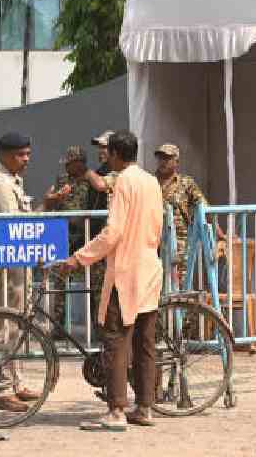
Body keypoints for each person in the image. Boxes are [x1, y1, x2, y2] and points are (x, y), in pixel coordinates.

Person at [60, 130, 164, 430]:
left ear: (117, 154)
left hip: (127, 272)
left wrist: (79, 257)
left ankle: (117, 410)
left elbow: (113, 232)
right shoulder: (150, 181)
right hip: (149, 267)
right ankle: (144, 407)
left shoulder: (123, 183)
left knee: (116, 341)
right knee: (145, 343)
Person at [0, 132, 42, 413]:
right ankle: (2, 389)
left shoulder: (13, 181)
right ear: (5, 155)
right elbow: (15, 225)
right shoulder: (0, 184)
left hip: (18, 264)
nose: (27, 160)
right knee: (4, 325)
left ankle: (16, 382)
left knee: (17, 323)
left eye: (28, 154)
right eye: (21, 154)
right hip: (6, 265)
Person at [154, 143, 222, 290]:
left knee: (181, 288)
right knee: (155, 289)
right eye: (160, 158)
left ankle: (182, 313)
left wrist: (220, 234)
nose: (163, 162)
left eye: (167, 158)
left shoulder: (186, 183)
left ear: (176, 162)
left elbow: (204, 209)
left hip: (180, 243)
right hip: (153, 243)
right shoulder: (149, 182)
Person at [43, 146, 95, 332]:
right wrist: (57, 197)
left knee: (93, 280)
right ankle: (58, 326)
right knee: (60, 279)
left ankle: (96, 326)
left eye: (69, 164)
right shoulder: (62, 180)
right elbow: (47, 202)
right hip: (64, 235)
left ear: (79, 163)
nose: (65, 167)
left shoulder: (91, 179)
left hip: (87, 236)